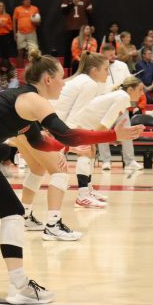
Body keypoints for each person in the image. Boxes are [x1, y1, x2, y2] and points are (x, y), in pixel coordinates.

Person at [0, 49, 144, 304]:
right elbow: (67, 133)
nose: (63, 83)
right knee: (12, 212)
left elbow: (39, 141)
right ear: (47, 79)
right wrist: (112, 136)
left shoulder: (25, 102)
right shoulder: (34, 99)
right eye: (60, 78)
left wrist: (65, 147)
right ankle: (19, 286)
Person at [54, 51, 109, 208]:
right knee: (85, 150)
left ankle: (87, 190)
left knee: (89, 149)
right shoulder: (89, 84)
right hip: (55, 125)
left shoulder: (85, 81)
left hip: (57, 122)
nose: (108, 73)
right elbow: (75, 114)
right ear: (94, 70)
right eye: (105, 69)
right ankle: (83, 196)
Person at [97, 45, 142, 171]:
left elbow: (130, 81)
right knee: (103, 132)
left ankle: (130, 160)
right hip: (104, 104)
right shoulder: (97, 67)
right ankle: (106, 161)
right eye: (110, 54)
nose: (113, 56)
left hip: (120, 103)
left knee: (127, 130)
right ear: (103, 54)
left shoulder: (122, 65)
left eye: (114, 53)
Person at [60, 0, 93, 68]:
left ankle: (85, 66)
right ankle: (67, 68)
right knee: (68, 48)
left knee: (83, 47)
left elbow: (90, 12)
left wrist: (91, 24)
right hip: (70, 28)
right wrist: (72, 4)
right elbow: (63, 11)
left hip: (82, 28)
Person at [13, 0, 41, 68]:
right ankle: (19, 70)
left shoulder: (35, 8)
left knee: (33, 52)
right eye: (26, 0)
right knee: (20, 52)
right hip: (20, 33)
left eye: (29, 0)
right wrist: (14, 34)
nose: (28, 1)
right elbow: (14, 22)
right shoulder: (17, 9)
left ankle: (33, 69)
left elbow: (38, 23)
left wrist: (36, 21)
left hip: (31, 33)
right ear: (22, 1)